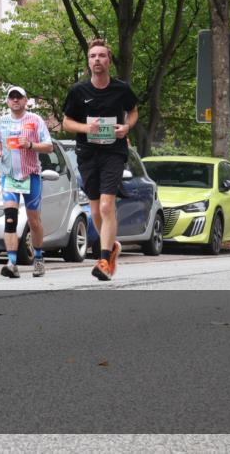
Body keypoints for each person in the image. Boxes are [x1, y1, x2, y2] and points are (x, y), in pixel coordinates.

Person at [62, 39, 138, 281]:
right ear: (88, 61)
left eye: (101, 56)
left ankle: (104, 260)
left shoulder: (121, 89)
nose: (97, 59)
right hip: (88, 154)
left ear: (109, 61)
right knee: (95, 209)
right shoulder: (78, 92)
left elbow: (134, 111)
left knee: (106, 206)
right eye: (92, 56)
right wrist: (86, 128)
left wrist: (126, 127)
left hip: (113, 152)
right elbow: (66, 122)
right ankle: (112, 246)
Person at [0, 86, 54, 278]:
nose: (15, 100)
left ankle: (39, 258)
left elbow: (49, 146)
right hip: (9, 175)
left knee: (33, 221)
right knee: (10, 218)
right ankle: (11, 262)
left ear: (26, 100)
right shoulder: (2, 121)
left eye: (19, 97)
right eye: (12, 97)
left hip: (30, 175)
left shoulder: (35, 120)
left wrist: (31, 145)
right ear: (8, 101)